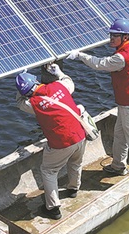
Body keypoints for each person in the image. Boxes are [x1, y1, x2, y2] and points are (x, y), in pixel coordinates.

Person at [67, 18, 129, 176]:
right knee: (120, 134)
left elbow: (99, 64)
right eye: (111, 34)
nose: (111, 38)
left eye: (115, 35)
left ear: (125, 37)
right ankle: (118, 166)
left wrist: (79, 55)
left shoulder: (121, 58)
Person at [15, 63, 86, 220]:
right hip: (80, 134)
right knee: (75, 163)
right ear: (36, 81)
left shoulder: (33, 104)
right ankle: (73, 189)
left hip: (61, 143)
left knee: (49, 171)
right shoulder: (59, 86)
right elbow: (69, 81)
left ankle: (53, 208)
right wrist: (59, 72)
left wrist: (18, 87)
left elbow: (19, 103)